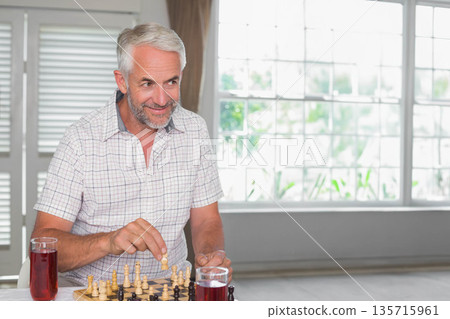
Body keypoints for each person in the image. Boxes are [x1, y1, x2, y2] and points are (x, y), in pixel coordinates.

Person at [31, 23, 232, 285]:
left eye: (171, 82)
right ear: (122, 81)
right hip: (91, 293)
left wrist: (209, 254)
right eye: (147, 83)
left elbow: (206, 219)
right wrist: (108, 241)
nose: (162, 100)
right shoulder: (80, 139)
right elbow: (43, 243)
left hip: (170, 289)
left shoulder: (195, 129)